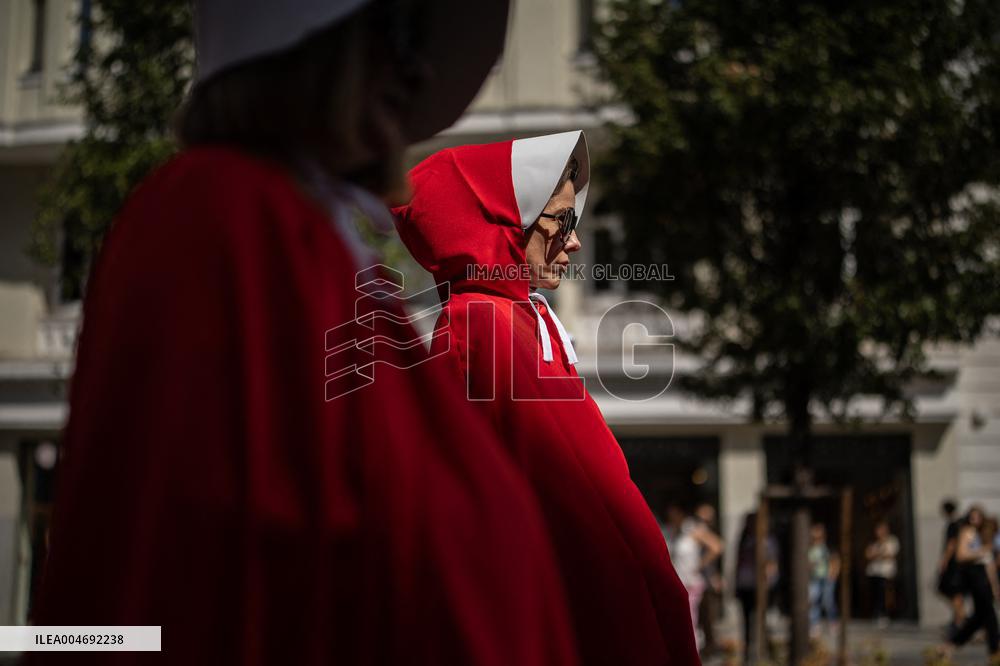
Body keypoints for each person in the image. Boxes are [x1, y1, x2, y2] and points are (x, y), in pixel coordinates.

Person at [29, 2, 580, 664]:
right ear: (319, 55)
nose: (416, 72)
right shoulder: (232, 214)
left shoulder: (290, 222)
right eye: (396, 35)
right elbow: (226, 560)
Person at [393, 133, 701, 665]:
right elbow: (551, 499)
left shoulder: (515, 319)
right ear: (504, 226)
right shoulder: (481, 323)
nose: (574, 242)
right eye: (563, 220)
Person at [662, 504, 724, 652]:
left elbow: (717, 546)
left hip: (690, 583)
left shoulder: (691, 529)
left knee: (689, 622)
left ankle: (692, 653)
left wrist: (699, 565)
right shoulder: (673, 532)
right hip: (678, 583)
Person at [946, 506, 1000, 659]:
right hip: (974, 575)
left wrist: (995, 586)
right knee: (988, 613)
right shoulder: (967, 532)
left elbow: (989, 564)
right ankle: (994, 650)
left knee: (980, 616)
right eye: (972, 517)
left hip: (984, 575)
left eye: (977, 517)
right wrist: (981, 551)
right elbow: (961, 555)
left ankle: (952, 644)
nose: (974, 520)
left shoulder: (983, 534)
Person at [734, 512, 779, 663]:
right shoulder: (744, 540)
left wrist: (768, 581)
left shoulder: (768, 540)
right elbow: (739, 563)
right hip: (745, 584)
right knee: (747, 622)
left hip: (761, 586)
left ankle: (765, 651)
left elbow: (772, 565)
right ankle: (748, 654)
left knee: (764, 620)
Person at [694, 503, 725, 656]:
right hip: (703, 579)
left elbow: (718, 547)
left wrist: (699, 564)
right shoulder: (702, 530)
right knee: (704, 617)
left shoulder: (703, 532)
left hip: (705, 580)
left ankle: (711, 647)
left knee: (707, 616)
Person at [938, 498, 966, 635]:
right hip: (961, 564)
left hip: (954, 565)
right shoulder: (961, 522)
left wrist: (944, 561)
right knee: (956, 594)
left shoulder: (953, 524)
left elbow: (951, 544)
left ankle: (961, 620)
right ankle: (958, 619)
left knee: (952, 592)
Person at [865, 520, 900, 627]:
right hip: (874, 572)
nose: (878, 532)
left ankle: (884, 615)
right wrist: (878, 554)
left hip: (886, 573)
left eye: (881, 530)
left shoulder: (892, 541)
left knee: (884, 595)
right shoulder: (874, 543)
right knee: (875, 594)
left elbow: (889, 555)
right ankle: (876, 614)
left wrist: (877, 554)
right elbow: (868, 555)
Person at [808, 523, 839, 634]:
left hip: (827, 577)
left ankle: (833, 622)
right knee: (813, 600)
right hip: (814, 578)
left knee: (828, 600)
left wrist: (834, 574)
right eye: (814, 536)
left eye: (819, 536)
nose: (816, 538)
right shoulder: (809, 548)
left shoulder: (828, 547)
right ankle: (814, 624)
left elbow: (835, 560)